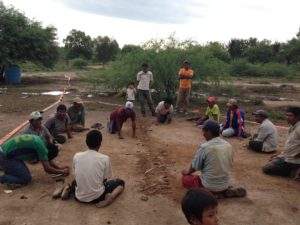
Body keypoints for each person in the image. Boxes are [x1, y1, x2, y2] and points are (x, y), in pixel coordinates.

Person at [181, 120, 246, 198]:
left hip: (209, 185)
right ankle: (224, 191)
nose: (203, 134)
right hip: (224, 184)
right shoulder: (228, 145)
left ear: (208, 131)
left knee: (185, 179)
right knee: (213, 177)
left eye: (203, 131)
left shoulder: (205, 147)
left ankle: (211, 194)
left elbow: (194, 167)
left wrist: (186, 172)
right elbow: (230, 164)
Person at [61, 130, 125, 207]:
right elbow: (105, 179)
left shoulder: (77, 156)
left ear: (86, 142)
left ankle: (69, 189)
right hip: (97, 197)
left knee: (75, 181)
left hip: (78, 197)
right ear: (100, 143)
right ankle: (111, 196)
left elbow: (75, 174)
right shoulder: (104, 158)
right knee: (121, 182)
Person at [0, 134, 69, 187]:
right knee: (26, 179)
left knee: (24, 173)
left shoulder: (42, 142)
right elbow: (47, 168)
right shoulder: (42, 148)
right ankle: (3, 178)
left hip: (7, 152)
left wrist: (59, 168)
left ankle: (9, 171)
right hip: (5, 156)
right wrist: (62, 171)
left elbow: (47, 160)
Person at [262, 107, 300, 180]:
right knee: (273, 160)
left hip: (293, 161)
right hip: (288, 157)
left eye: (290, 116)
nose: (287, 118)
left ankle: (294, 171)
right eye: (287, 115)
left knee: (267, 169)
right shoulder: (292, 127)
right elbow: (291, 145)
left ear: (298, 117)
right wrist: (280, 155)